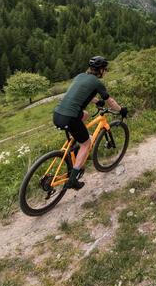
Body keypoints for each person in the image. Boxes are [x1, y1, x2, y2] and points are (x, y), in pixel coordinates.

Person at [52, 55, 126, 190]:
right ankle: (73, 179)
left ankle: (75, 143)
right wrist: (122, 110)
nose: (106, 71)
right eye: (105, 69)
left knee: (85, 115)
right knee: (87, 143)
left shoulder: (80, 76)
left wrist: (96, 101)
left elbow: (81, 92)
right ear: (101, 70)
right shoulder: (97, 83)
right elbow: (111, 102)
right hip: (71, 118)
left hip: (57, 114)